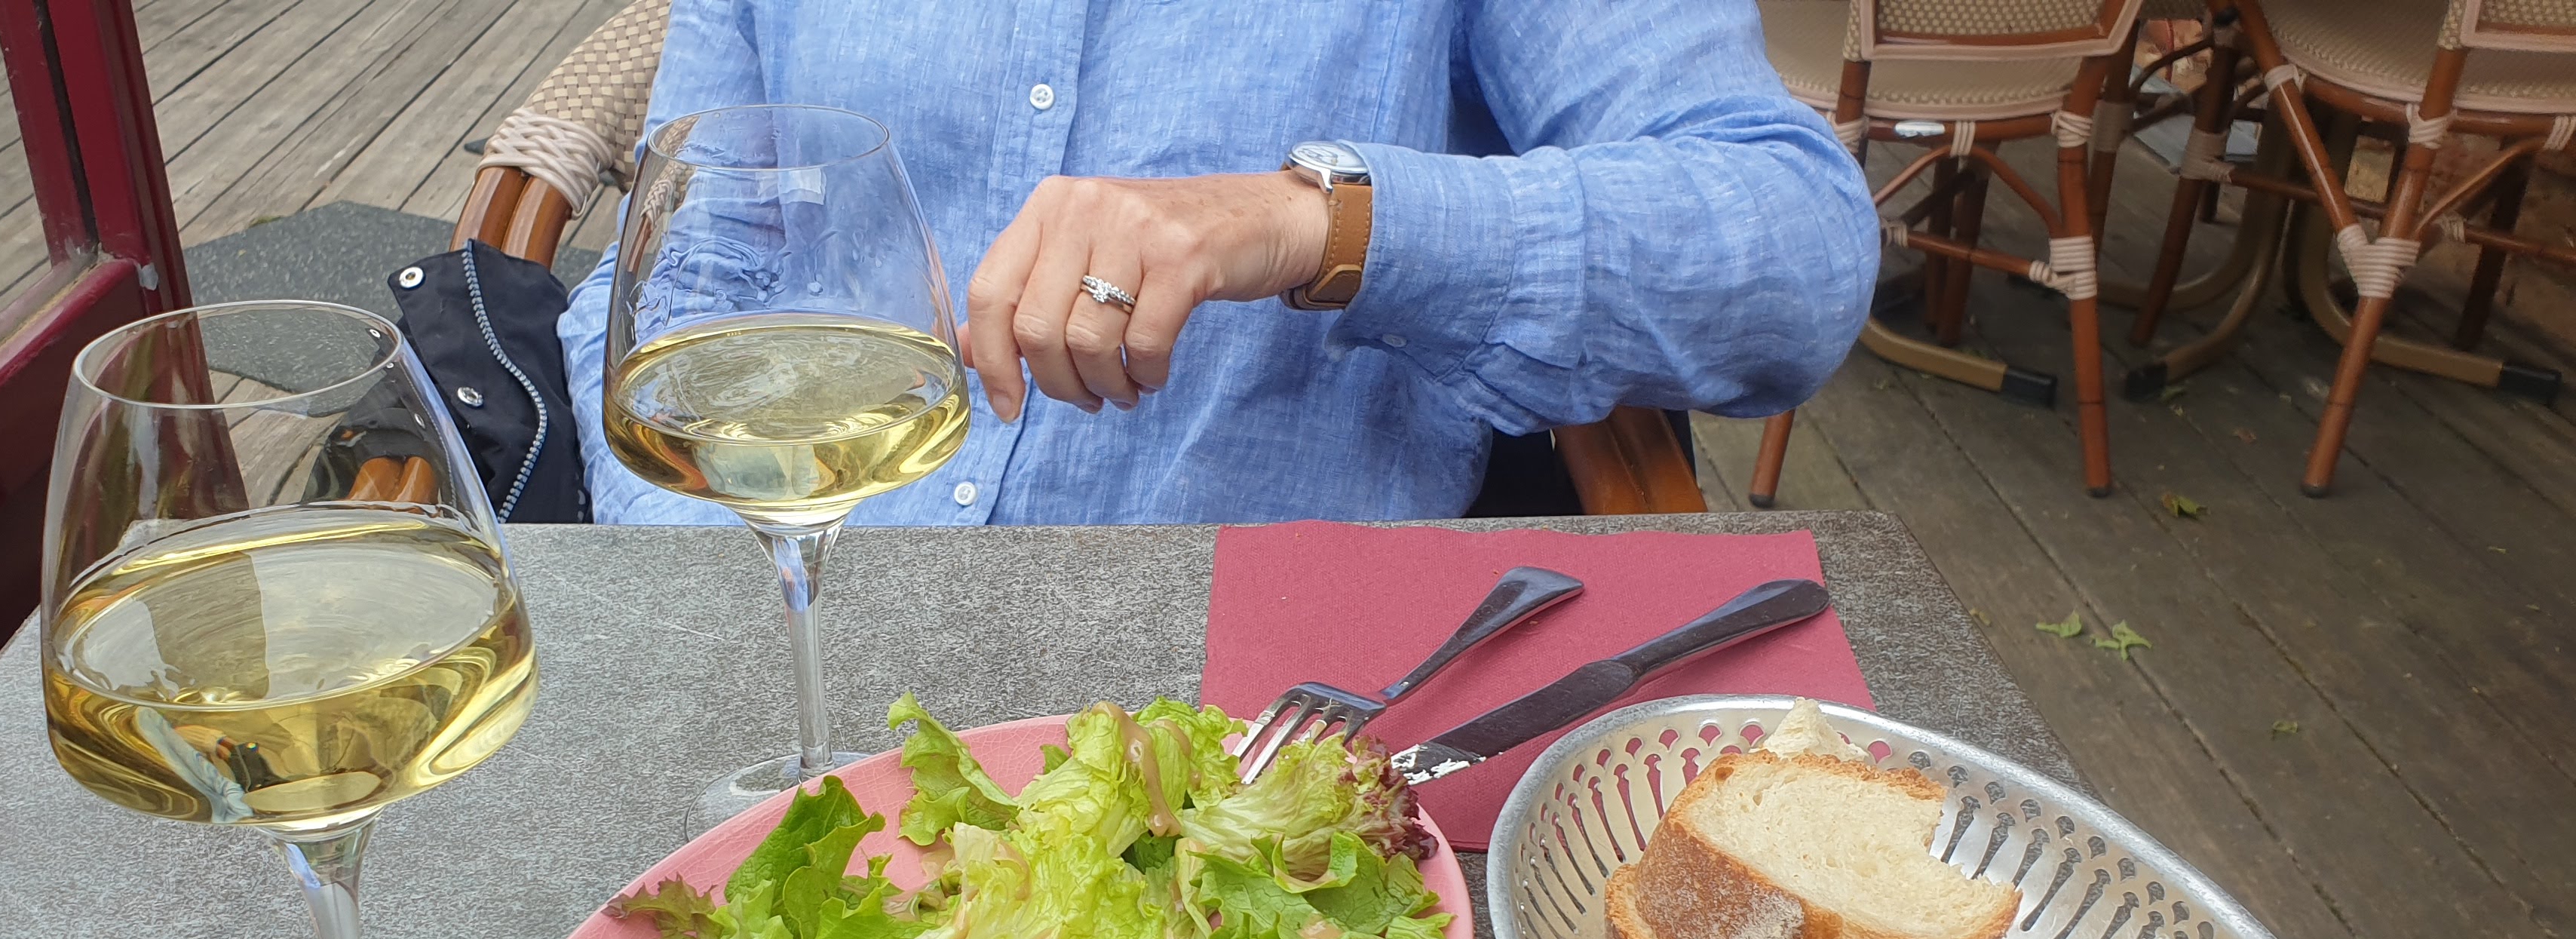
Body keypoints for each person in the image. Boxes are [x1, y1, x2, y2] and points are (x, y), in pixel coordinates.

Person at [557, 0, 1877, 526]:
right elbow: (685, 274)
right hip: (797, 618)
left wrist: (1314, 220)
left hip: (1237, 725)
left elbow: (1795, 253)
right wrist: (730, 584)